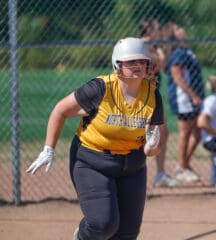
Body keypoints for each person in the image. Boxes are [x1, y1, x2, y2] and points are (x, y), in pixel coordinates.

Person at [26, 37, 164, 240]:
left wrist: (152, 147)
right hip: (93, 161)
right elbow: (60, 111)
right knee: (103, 224)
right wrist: (49, 149)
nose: (138, 66)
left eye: (142, 61)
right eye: (131, 61)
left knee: (127, 234)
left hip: (132, 167)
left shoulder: (152, 94)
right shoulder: (100, 88)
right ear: (118, 65)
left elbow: (153, 147)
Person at [162, 22, 205, 183]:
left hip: (192, 97)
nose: (183, 29)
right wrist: (193, 95)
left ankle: (184, 164)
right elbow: (177, 78)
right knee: (186, 132)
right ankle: (182, 168)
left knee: (197, 133)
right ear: (174, 36)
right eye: (178, 29)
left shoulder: (186, 50)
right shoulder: (178, 53)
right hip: (183, 98)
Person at [139, 18, 178, 187]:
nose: (159, 30)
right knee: (144, 135)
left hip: (151, 94)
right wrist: (162, 47)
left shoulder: (155, 45)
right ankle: (153, 173)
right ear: (148, 30)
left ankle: (160, 173)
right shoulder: (142, 44)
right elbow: (161, 62)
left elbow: (164, 63)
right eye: (156, 28)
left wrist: (164, 44)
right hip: (140, 96)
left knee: (162, 132)